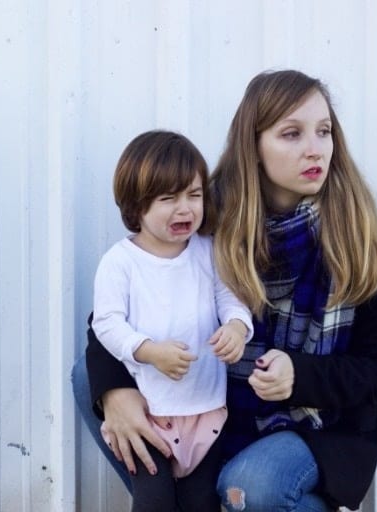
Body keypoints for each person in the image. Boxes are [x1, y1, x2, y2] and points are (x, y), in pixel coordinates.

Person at [72, 69, 377, 511]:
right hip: (213, 402)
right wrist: (115, 396)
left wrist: (298, 376)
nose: (315, 149)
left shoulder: (355, 237)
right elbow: (111, 318)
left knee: (250, 485)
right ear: (254, 145)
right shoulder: (203, 214)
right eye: (292, 133)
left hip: (319, 424)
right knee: (88, 378)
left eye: (324, 132)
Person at [90, 129, 254, 511]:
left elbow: (232, 299)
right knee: (155, 501)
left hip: (206, 409)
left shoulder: (208, 253)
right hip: (148, 413)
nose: (185, 208)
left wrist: (236, 327)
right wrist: (149, 352)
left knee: (200, 503)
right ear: (136, 206)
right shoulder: (122, 262)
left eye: (194, 195)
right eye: (168, 198)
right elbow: (107, 324)